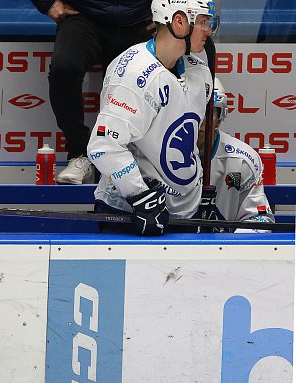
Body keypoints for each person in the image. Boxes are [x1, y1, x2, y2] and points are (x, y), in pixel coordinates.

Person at [88, 0, 218, 235]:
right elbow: (103, 145)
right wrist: (140, 196)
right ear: (179, 21)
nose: (208, 31)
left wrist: (197, 188)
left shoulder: (198, 69)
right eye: (203, 23)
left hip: (185, 212)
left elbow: (185, 138)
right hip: (134, 212)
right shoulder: (134, 73)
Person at [30, 0, 155, 184]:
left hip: (140, 19)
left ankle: (126, 161)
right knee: (64, 68)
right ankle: (78, 153)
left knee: (147, 81)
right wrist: (48, 3)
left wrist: (170, 12)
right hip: (84, 16)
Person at [198, 77, 275, 232]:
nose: (199, 120)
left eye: (207, 113)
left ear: (219, 119)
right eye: (192, 111)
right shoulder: (155, 155)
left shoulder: (243, 160)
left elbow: (259, 220)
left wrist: (226, 248)